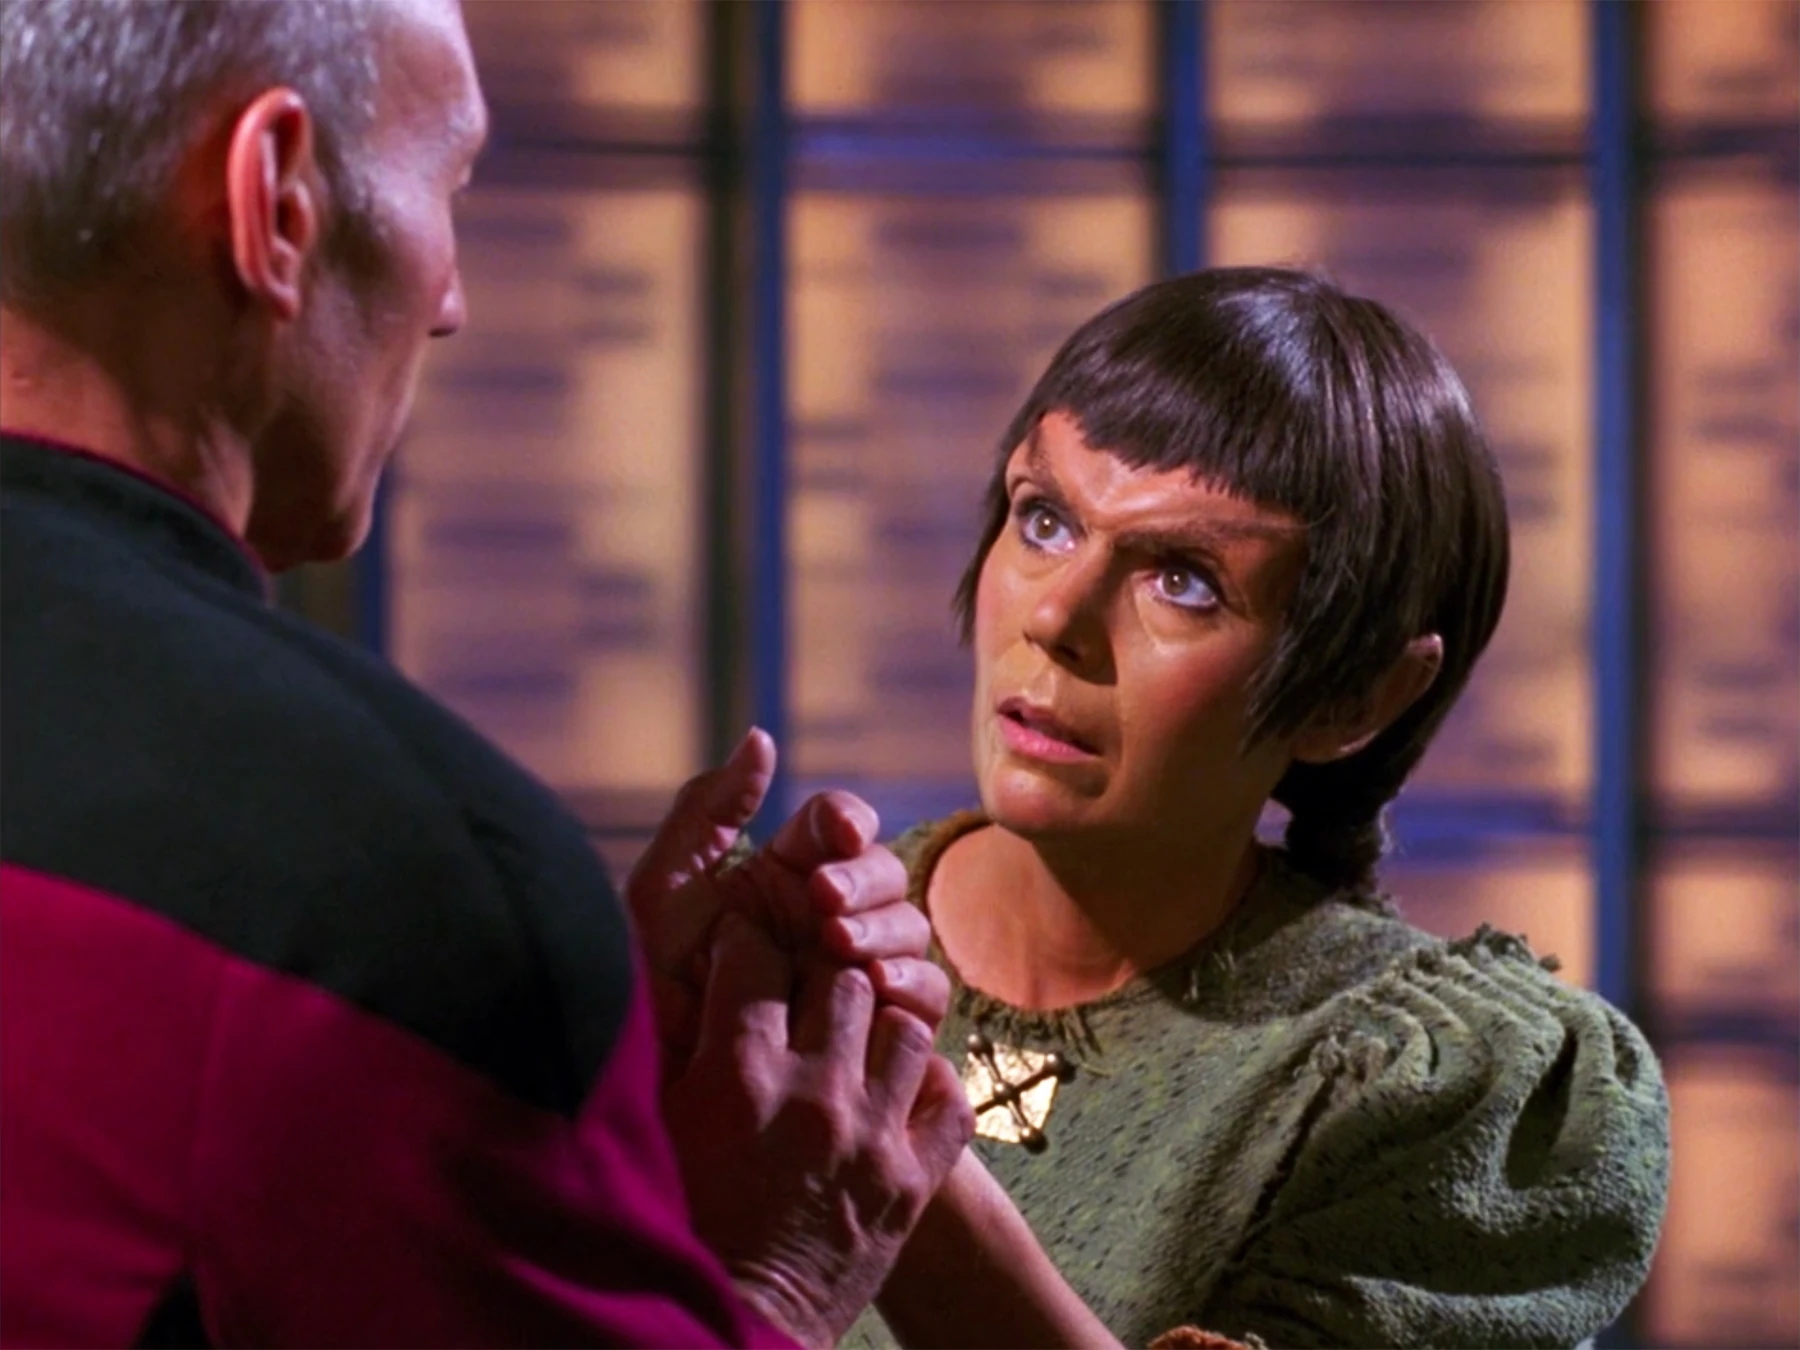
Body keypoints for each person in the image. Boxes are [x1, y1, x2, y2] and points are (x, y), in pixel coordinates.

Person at [0, 2, 973, 1346]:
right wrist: (776, 1278)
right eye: (448, 183)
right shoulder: (373, 889)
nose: (451, 301)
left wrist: (581, 1112)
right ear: (274, 199)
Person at [840, 268, 1672, 1350]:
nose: (1055, 616)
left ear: (1354, 695)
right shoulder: (797, 952)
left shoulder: (1434, 1090)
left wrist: (909, 1188)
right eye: (1044, 520)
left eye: (1182, 579)